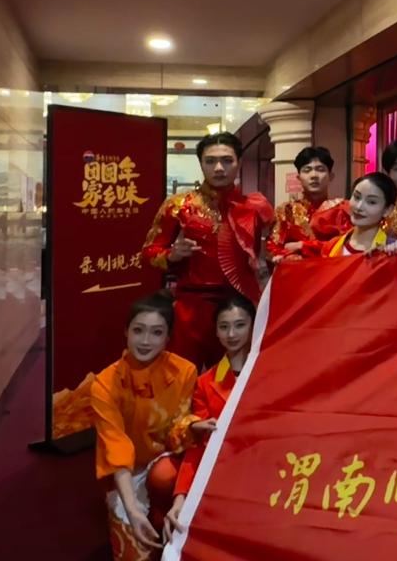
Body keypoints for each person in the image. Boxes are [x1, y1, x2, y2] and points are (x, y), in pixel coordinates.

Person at [142, 132, 273, 369]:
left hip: (239, 305)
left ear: (239, 162)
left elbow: (273, 249)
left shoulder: (256, 207)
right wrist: (171, 255)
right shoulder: (179, 206)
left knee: (233, 375)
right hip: (191, 307)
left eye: (227, 160)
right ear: (201, 163)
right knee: (184, 374)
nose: (219, 168)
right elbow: (148, 252)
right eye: (210, 161)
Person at [90, 292, 197, 560]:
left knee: (164, 476)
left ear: (168, 337)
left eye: (156, 332)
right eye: (138, 330)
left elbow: (180, 430)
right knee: (131, 549)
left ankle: (163, 513)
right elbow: (116, 448)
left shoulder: (185, 371)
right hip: (127, 472)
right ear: (126, 331)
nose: (146, 341)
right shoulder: (104, 384)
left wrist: (194, 426)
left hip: (168, 461)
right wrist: (132, 508)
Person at [166, 294, 256, 542]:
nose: (231, 334)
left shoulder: (268, 372)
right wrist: (180, 497)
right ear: (215, 332)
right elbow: (198, 445)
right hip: (221, 471)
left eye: (240, 325)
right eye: (223, 327)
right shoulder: (206, 383)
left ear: (254, 325)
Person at [268, 146, 350, 261]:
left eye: (320, 169)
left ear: (331, 176)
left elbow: (348, 246)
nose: (314, 175)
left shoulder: (342, 209)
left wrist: (302, 246)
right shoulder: (286, 211)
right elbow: (273, 248)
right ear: (299, 177)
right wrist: (289, 256)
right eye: (307, 170)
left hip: (332, 270)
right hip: (298, 271)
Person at [314, 172, 397, 256]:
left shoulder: (391, 250)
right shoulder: (331, 246)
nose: (359, 207)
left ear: (387, 210)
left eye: (371, 202)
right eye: (357, 197)